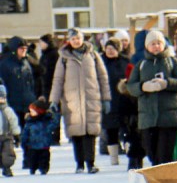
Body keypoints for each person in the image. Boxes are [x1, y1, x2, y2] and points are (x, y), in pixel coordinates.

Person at [50, 28, 111, 174]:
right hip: (72, 102)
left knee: (90, 133)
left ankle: (91, 163)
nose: (76, 41)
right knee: (76, 133)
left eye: (78, 38)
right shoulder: (64, 58)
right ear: (69, 41)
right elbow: (58, 80)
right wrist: (54, 100)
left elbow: (103, 78)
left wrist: (106, 98)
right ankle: (79, 164)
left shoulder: (93, 55)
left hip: (91, 99)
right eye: (73, 39)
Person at [127, 30, 177, 166]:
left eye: (159, 43)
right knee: (151, 152)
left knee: (164, 155)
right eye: (153, 44)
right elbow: (130, 86)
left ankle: (163, 181)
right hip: (147, 118)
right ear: (147, 46)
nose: (156, 46)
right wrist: (143, 87)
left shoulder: (173, 62)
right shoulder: (141, 65)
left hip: (168, 117)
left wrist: (167, 83)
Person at [101, 37, 129, 165]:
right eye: (108, 48)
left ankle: (129, 153)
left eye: (113, 49)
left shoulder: (125, 61)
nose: (110, 51)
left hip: (124, 100)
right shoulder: (100, 62)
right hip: (108, 100)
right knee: (111, 130)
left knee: (127, 129)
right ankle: (114, 158)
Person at [0, 36, 36, 128]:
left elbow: (31, 82)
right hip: (12, 105)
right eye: (21, 48)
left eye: (25, 48)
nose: (24, 50)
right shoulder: (4, 64)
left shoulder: (26, 63)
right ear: (14, 49)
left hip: (27, 104)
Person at [20, 99, 58, 175]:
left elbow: (54, 124)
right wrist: (23, 142)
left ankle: (44, 168)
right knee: (32, 159)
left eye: (33, 111)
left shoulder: (47, 121)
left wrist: (54, 114)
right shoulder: (29, 122)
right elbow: (25, 133)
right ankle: (32, 168)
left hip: (44, 145)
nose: (31, 113)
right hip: (32, 146)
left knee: (44, 158)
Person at [0, 83, 21, 177]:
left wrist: (16, 134)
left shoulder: (7, 110)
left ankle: (7, 167)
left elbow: (13, 122)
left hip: (6, 135)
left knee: (7, 153)